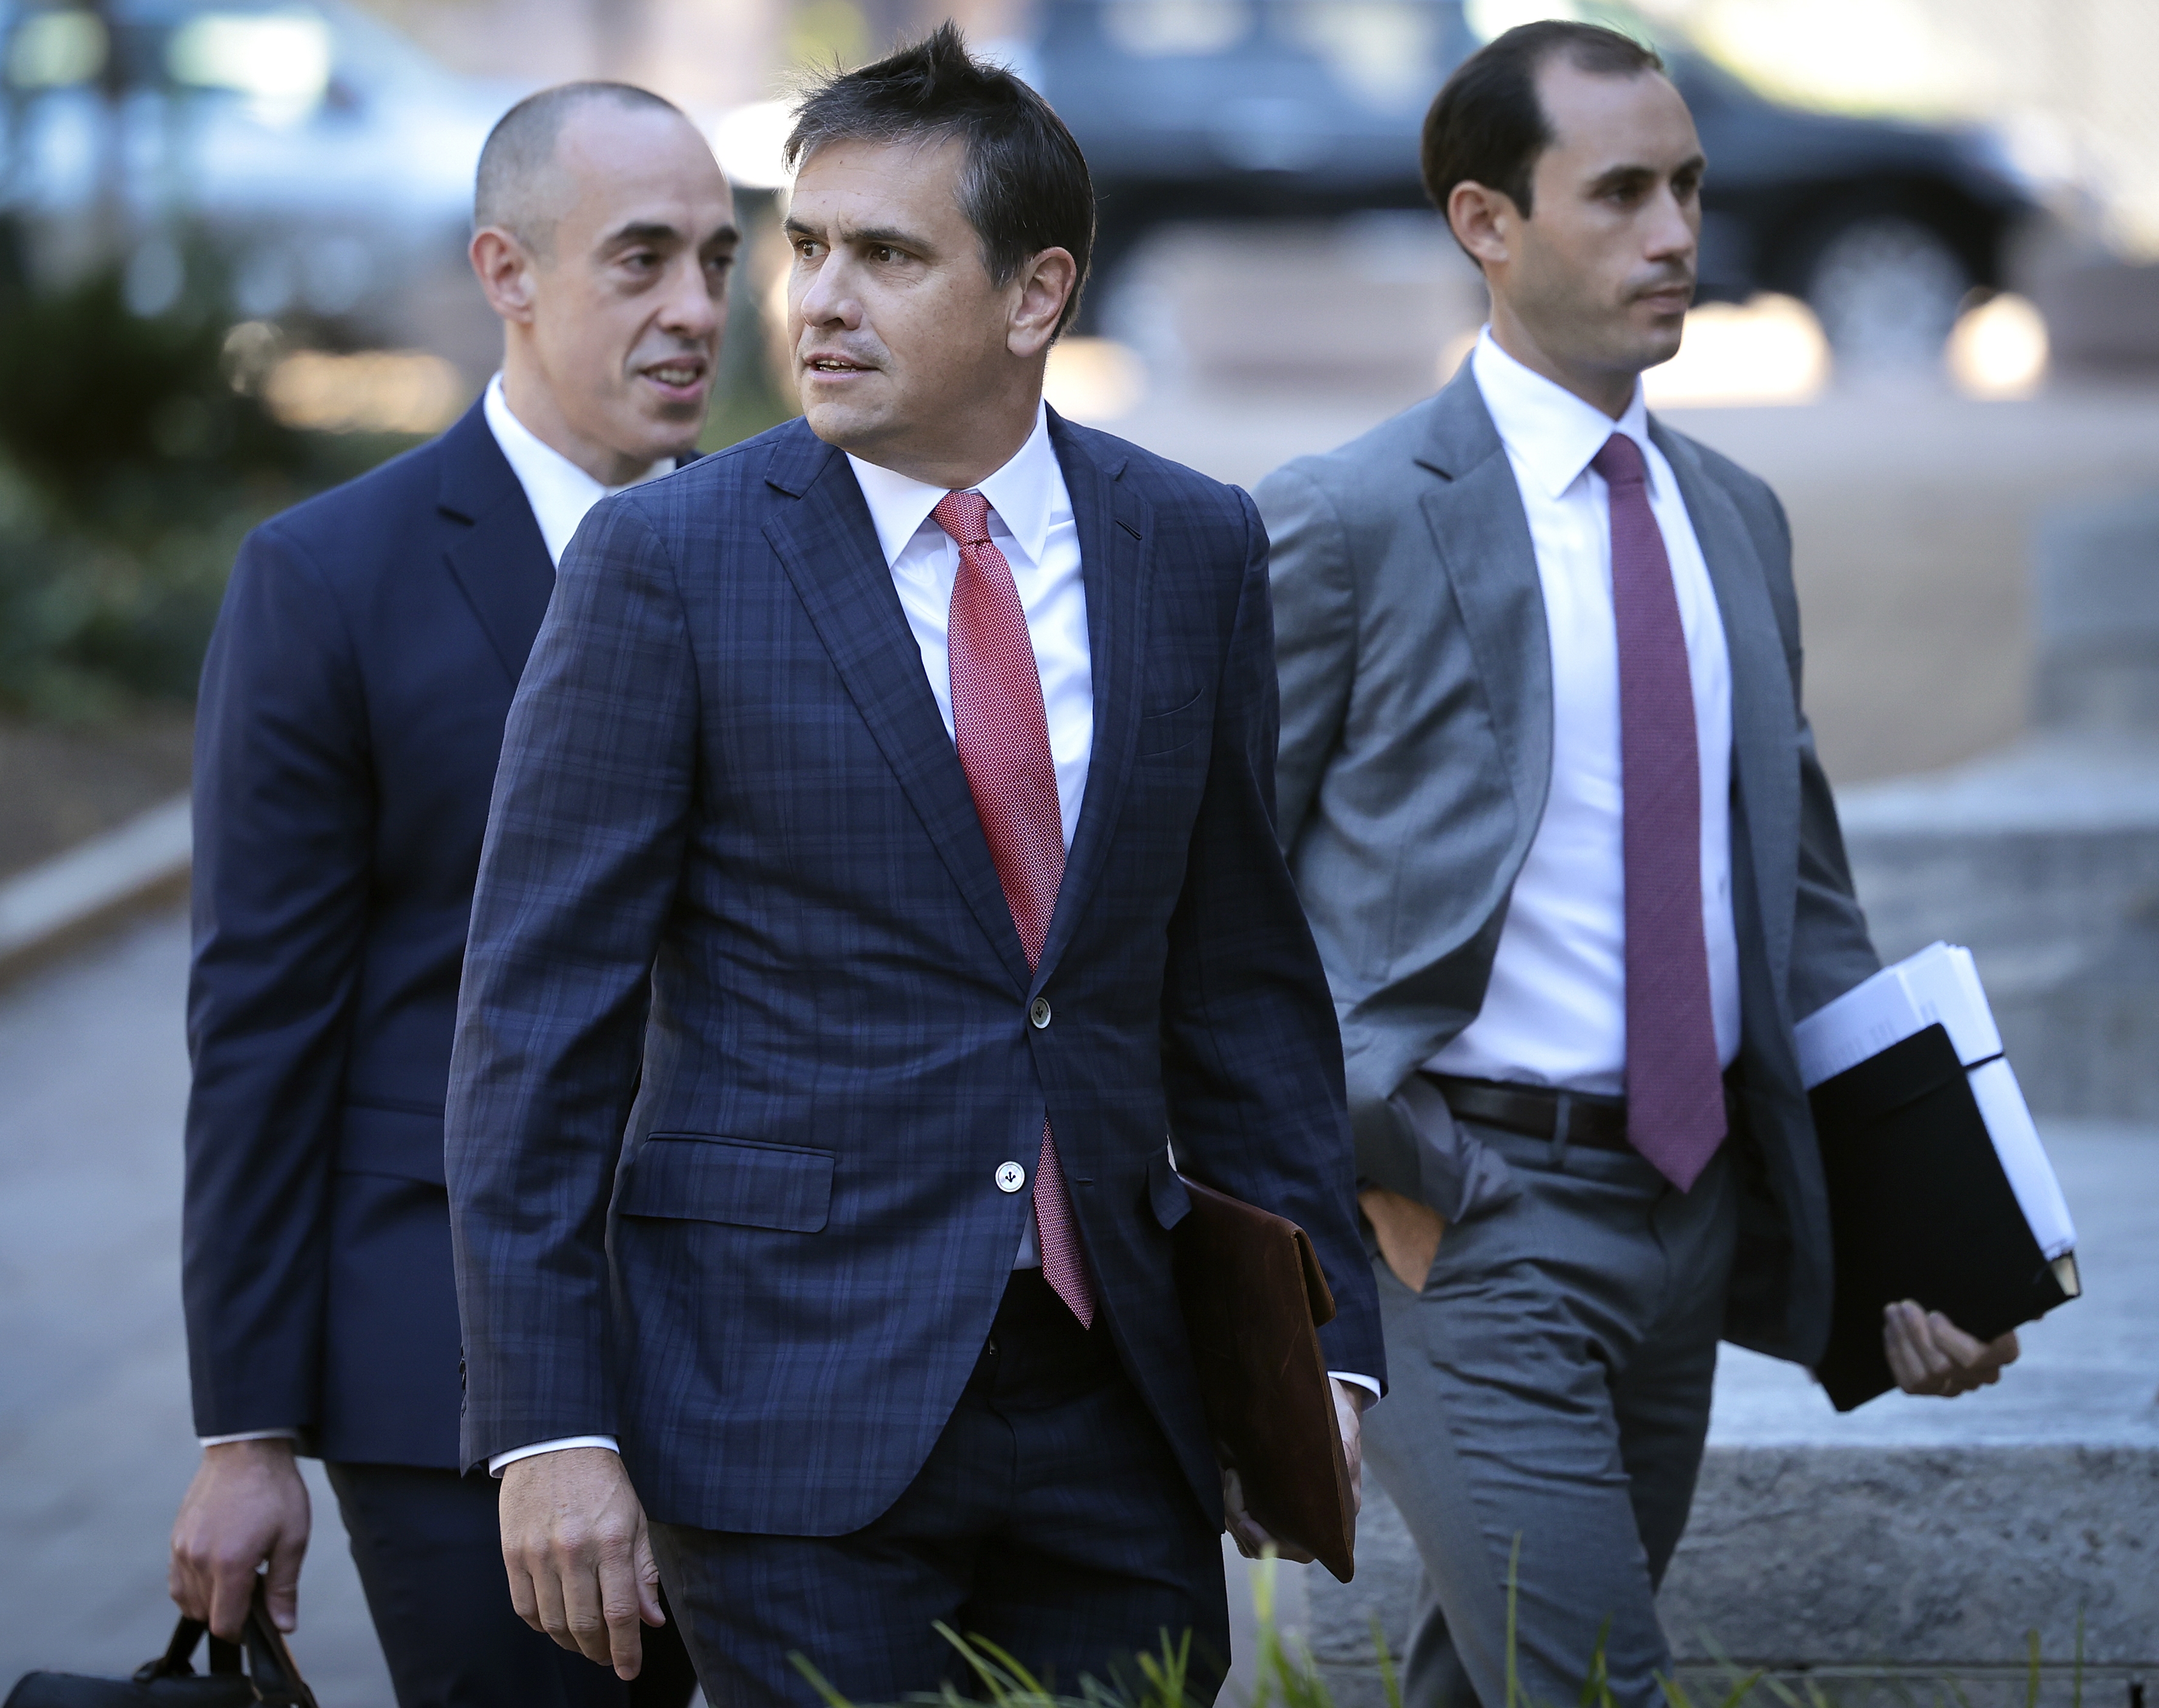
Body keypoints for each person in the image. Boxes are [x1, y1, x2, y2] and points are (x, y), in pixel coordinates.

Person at [441, 26, 1383, 1708]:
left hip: (1125, 1398)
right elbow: (536, 1026)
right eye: (805, 247)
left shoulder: (1190, 546)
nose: (812, 299)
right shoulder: (664, 565)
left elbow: (1240, 977)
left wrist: (1316, 1357)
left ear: (1033, 297)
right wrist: (547, 1425)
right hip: (781, 1408)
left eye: (884, 255)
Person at [1259, 22, 2019, 1708]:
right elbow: (1211, 891)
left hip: (1688, 1217)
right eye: (1617, 194)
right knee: (1600, 1682)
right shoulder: (1346, 517)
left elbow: (1801, 913)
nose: (1673, 231)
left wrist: (1924, 1239)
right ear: (1483, 221)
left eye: (1684, 186)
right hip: (1460, 1220)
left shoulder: (1732, 515)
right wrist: (1356, 1176)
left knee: (1502, 1677)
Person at [170, 81, 736, 1708]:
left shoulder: (788, 546)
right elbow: (262, 1029)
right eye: (638, 261)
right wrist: (246, 1432)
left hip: (765, 1348)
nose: (695, 308)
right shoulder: (329, 579)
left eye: (713, 258)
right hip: (449, 1374)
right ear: (508, 271)